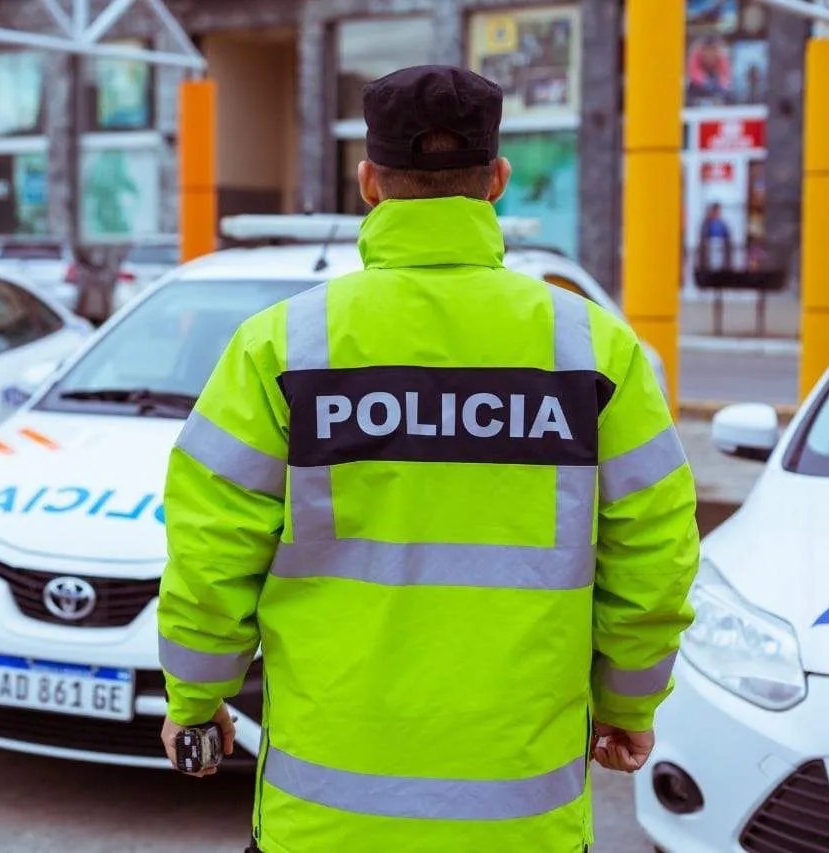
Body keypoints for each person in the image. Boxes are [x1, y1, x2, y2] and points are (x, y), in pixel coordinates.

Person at [156, 65, 699, 852]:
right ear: (498, 181)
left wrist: (196, 697)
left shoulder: (282, 346)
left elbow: (210, 549)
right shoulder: (591, 350)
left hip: (327, 816)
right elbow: (654, 551)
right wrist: (627, 702)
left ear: (369, 182)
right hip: (521, 816)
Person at [698, 201, 733, 271]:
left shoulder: (722, 224)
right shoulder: (706, 224)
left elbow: (727, 237)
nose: (716, 213)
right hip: (710, 248)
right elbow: (703, 238)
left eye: (717, 211)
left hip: (721, 248)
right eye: (714, 211)